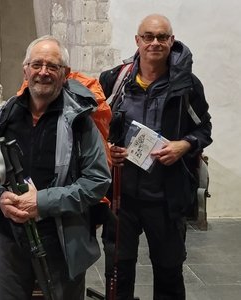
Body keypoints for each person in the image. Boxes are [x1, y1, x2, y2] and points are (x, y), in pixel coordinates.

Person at [0, 35, 111, 300]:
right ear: (26, 69)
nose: (43, 72)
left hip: (61, 240)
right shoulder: (4, 115)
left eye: (52, 66)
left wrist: (42, 202)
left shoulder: (80, 120)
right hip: (10, 238)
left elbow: (97, 180)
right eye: (36, 64)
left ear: (65, 74)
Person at [99, 14, 212, 299]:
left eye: (162, 37)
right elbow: (96, 126)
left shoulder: (187, 86)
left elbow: (204, 128)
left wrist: (183, 145)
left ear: (172, 41)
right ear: (137, 41)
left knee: (169, 272)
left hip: (166, 198)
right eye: (148, 37)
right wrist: (107, 150)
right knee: (118, 270)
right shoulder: (115, 80)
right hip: (121, 197)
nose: (155, 43)